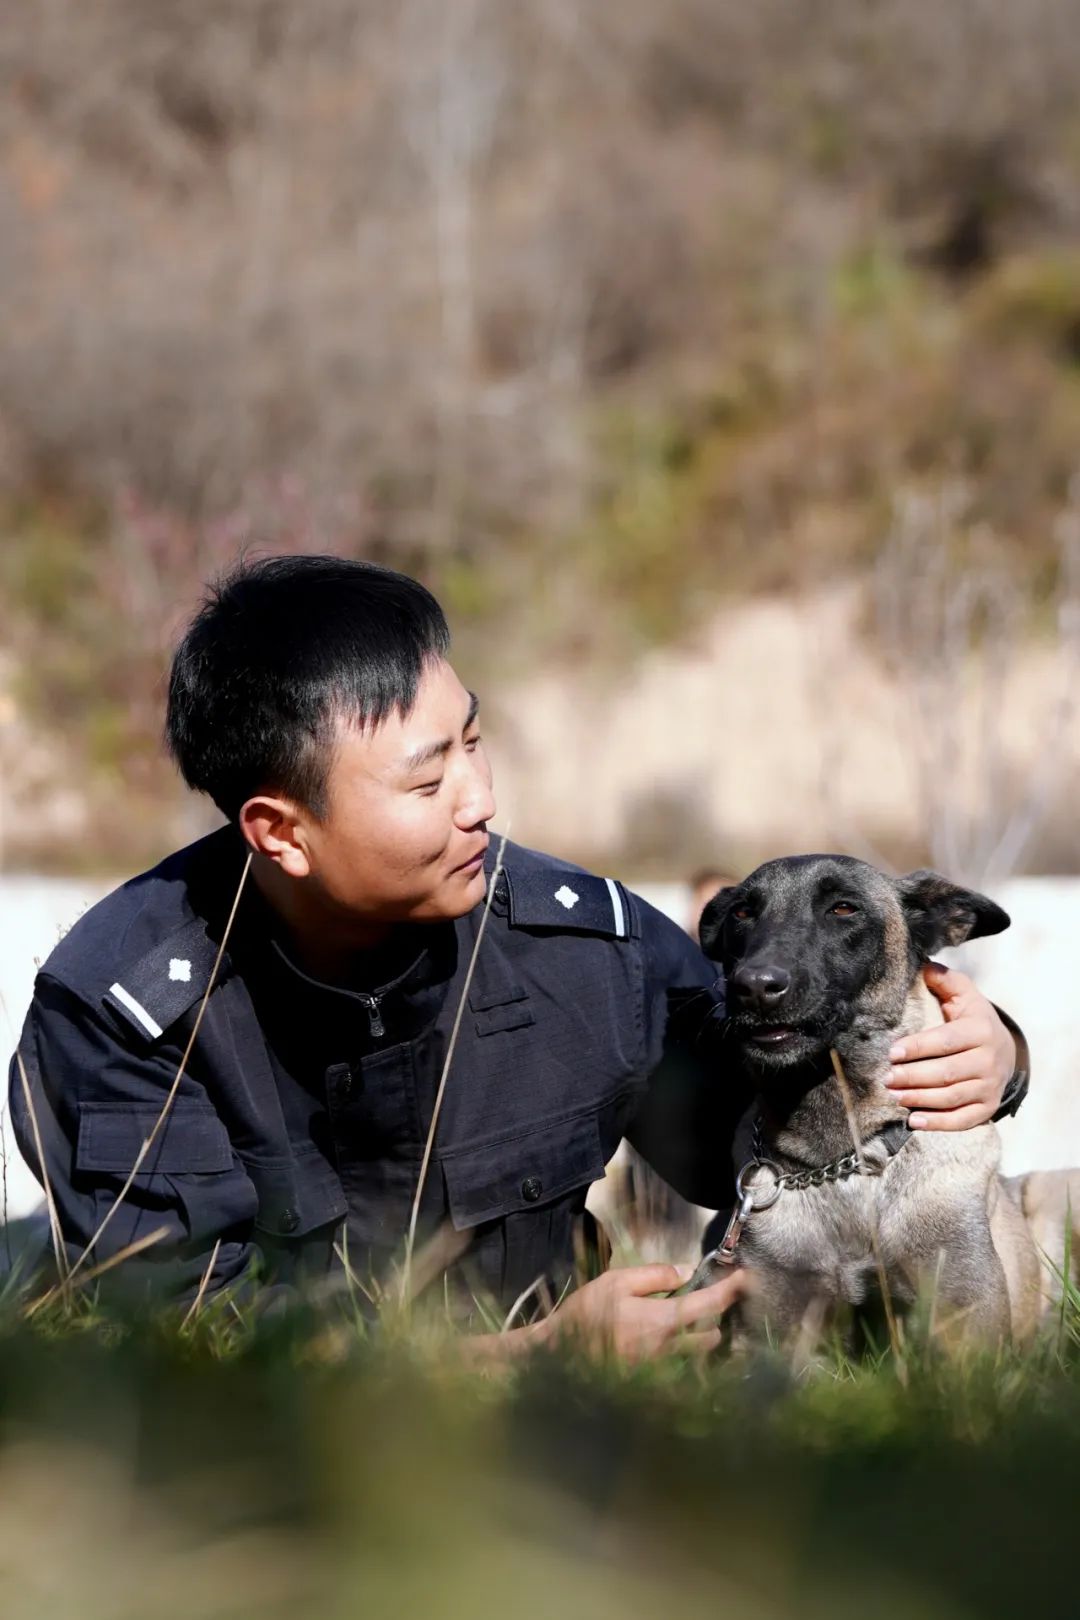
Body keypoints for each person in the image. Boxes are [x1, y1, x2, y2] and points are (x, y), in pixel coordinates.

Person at [8, 556, 1027, 1360]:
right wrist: (531, 1359)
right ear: (281, 832)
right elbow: (193, 1348)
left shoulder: (590, 950)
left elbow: (781, 1123)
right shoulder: (120, 1015)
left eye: (473, 741)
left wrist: (994, 1056)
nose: (481, 801)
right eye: (427, 782)